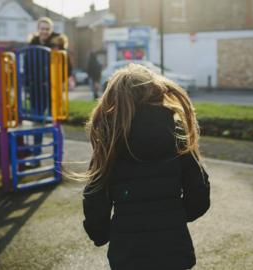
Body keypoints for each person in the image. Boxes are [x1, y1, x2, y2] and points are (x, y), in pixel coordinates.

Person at [82, 63, 211, 269]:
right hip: (173, 249)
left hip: (128, 253)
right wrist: (174, 216)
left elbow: (95, 197)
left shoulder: (111, 139)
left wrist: (100, 232)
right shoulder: (176, 133)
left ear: (114, 99)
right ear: (155, 92)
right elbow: (199, 193)